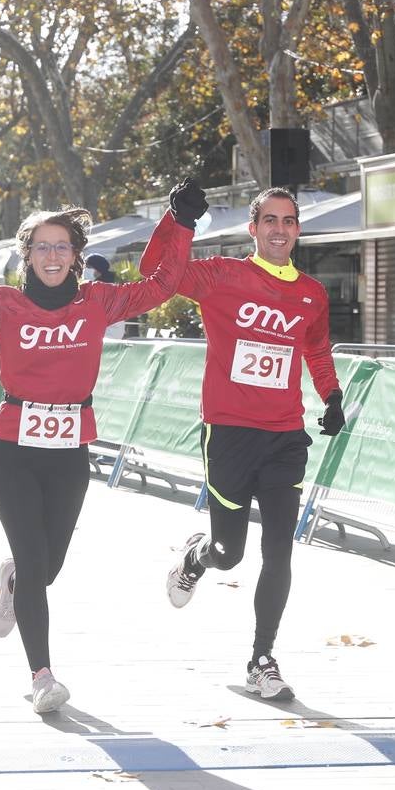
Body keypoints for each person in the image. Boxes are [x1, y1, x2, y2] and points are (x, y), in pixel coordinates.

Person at [0, 187, 195, 714]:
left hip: (69, 453)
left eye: (62, 246)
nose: (53, 255)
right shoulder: (4, 305)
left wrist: (178, 224)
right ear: (28, 256)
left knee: (46, 569)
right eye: (43, 246)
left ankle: (12, 581)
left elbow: (163, 285)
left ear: (76, 256)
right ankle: (42, 676)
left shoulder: (98, 302)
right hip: (12, 452)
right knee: (37, 561)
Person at [141, 185, 344, 703]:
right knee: (229, 554)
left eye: (290, 221)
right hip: (229, 433)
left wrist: (332, 394)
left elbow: (316, 350)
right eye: (270, 220)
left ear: (298, 229)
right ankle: (195, 558)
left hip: (284, 436)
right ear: (252, 228)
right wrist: (177, 220)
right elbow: (155, 273)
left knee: (279, 550)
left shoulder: (311, 294)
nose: (280, 229)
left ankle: (262, 659)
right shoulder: (222, 276)